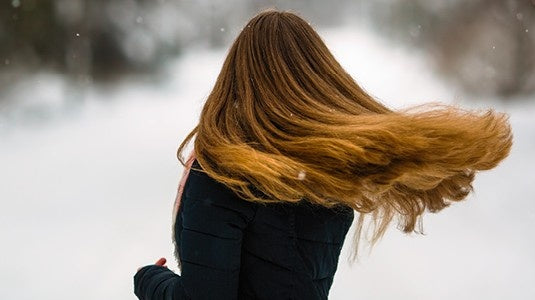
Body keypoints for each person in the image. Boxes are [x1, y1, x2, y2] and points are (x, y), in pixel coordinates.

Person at [133, 9, 512, 300]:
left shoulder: (225, 172)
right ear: (316, 76)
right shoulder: (328, 168)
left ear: (236, 75)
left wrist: (151, 280)